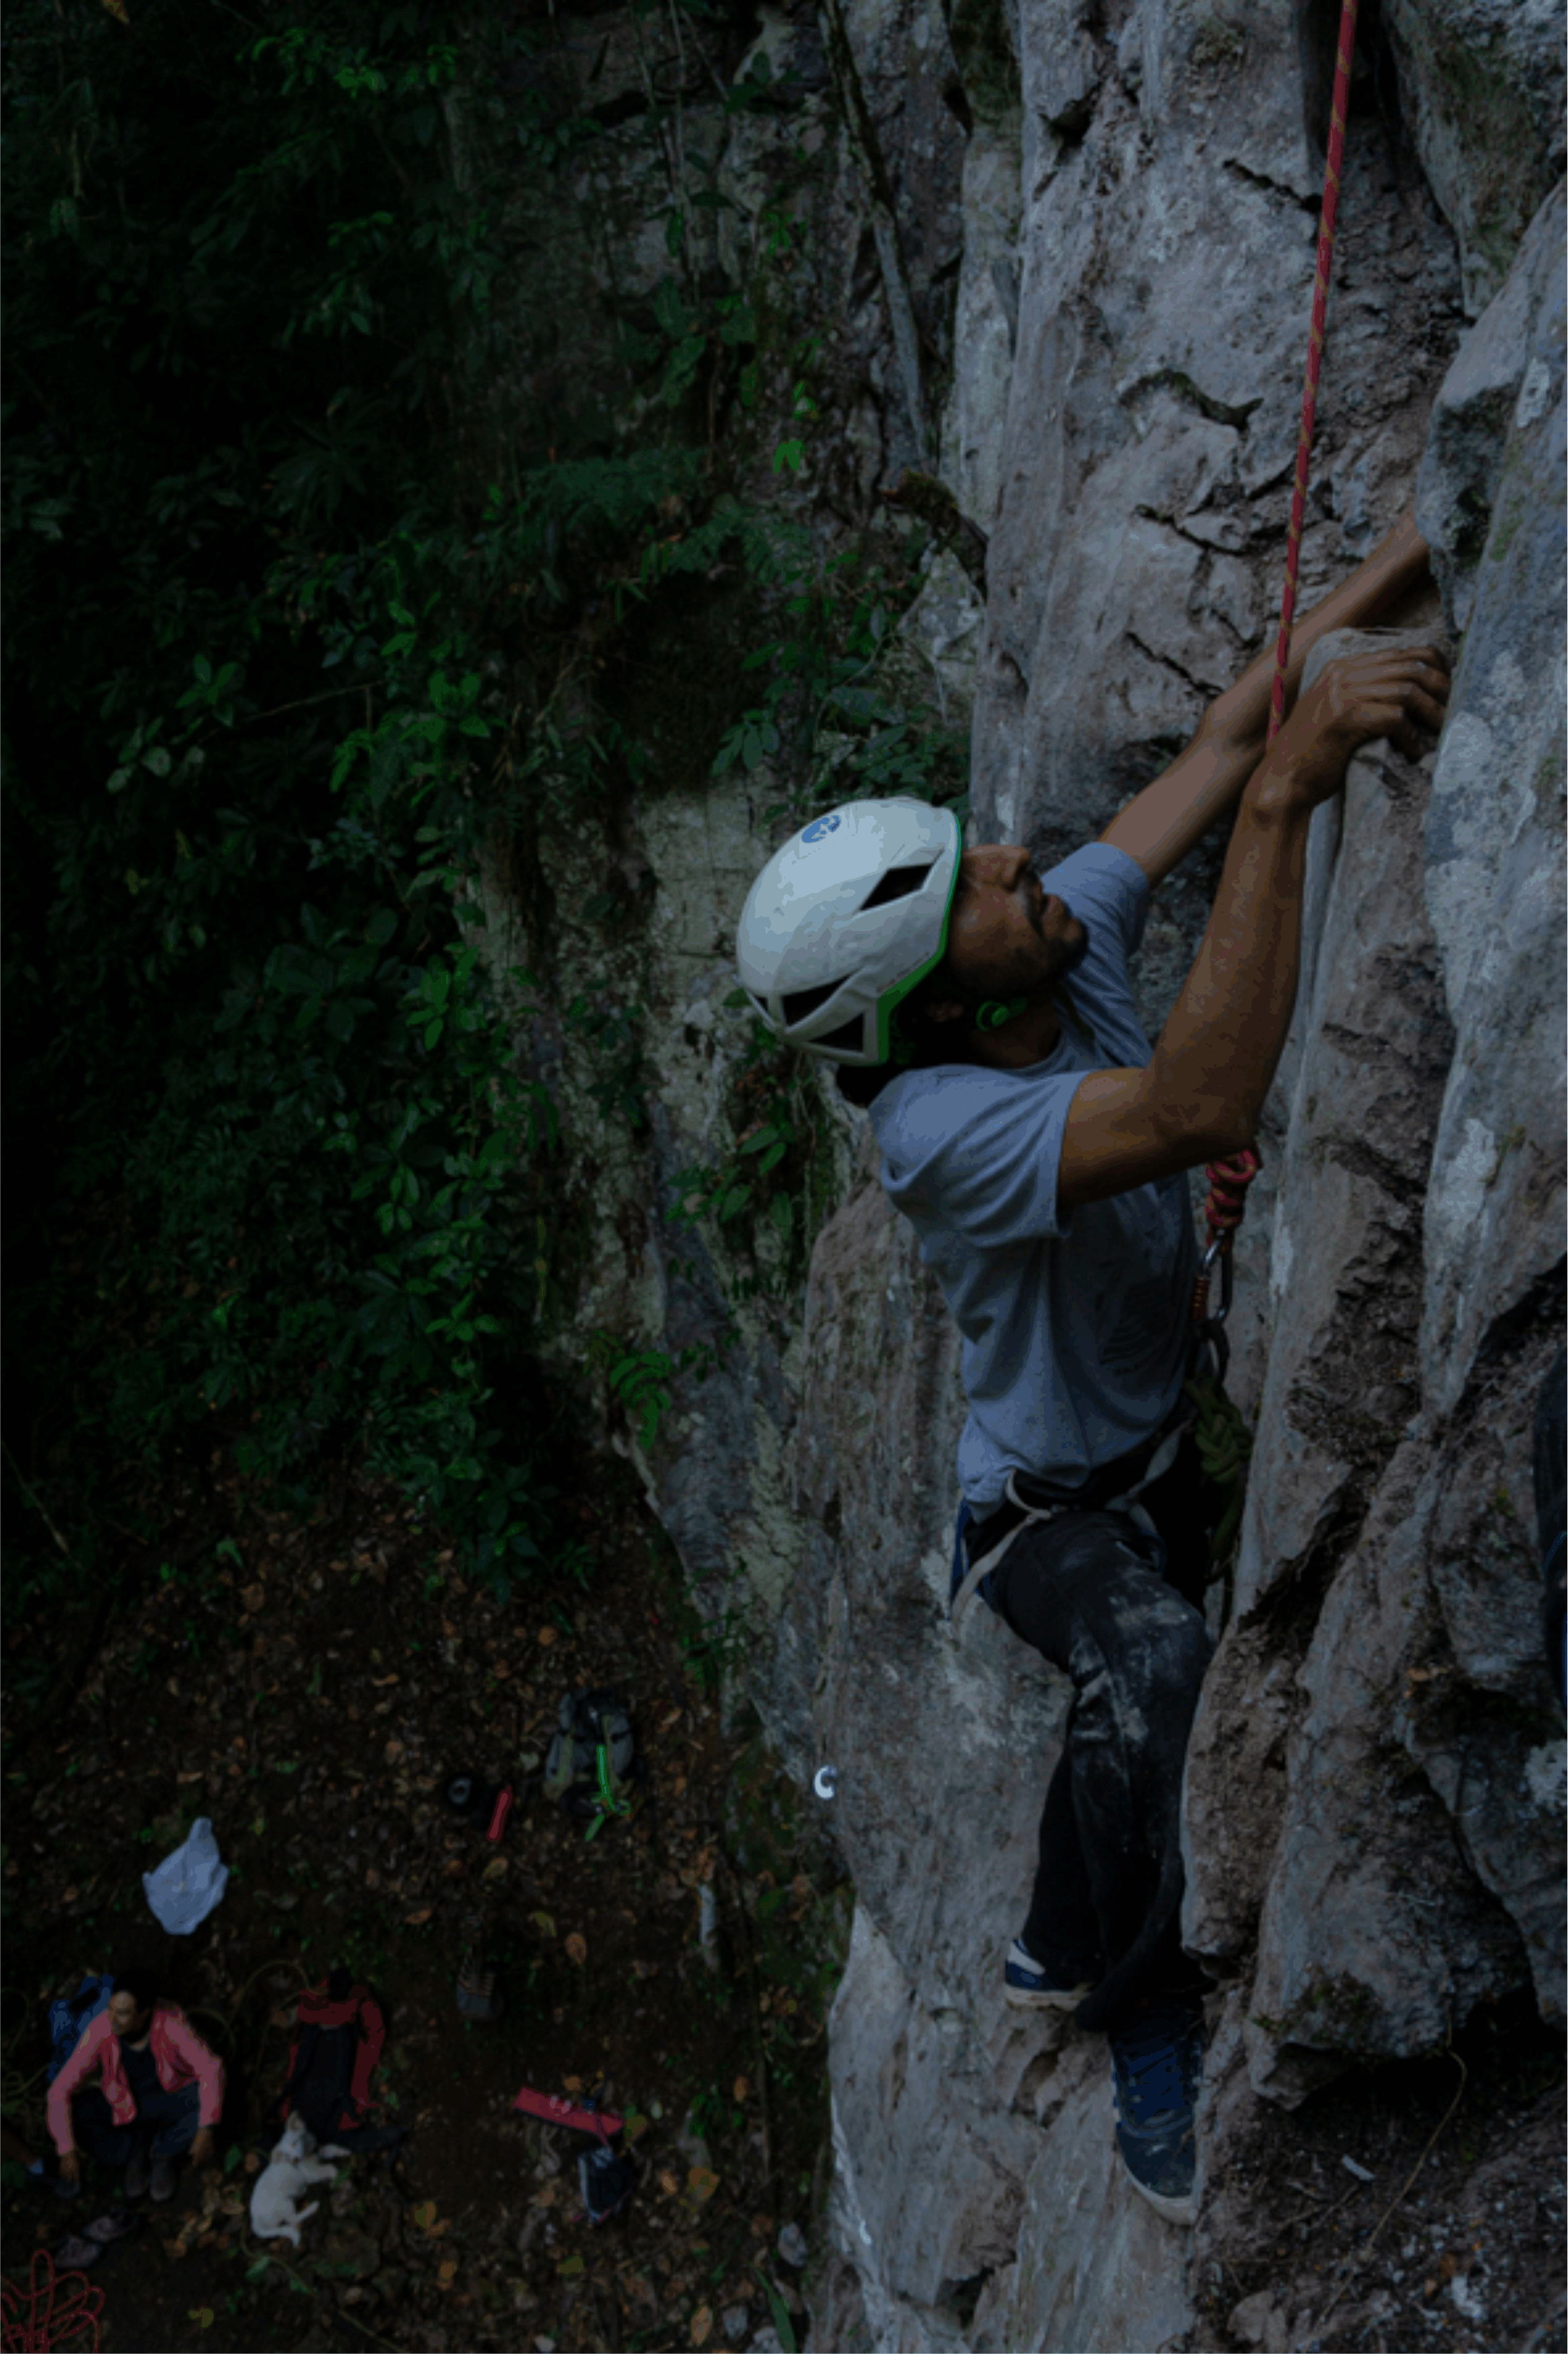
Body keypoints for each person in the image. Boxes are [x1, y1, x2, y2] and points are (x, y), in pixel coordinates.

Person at [736, 512, 1449, 2225]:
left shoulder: (1057, 930)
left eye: (989, 855)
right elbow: (1199, 1102)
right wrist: (1286, 800)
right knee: (1151, 1655)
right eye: (978, 887)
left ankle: (1060, 1938)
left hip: (1143, 1451)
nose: (1017, 861)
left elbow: (1221, 727)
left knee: (1158, 1669)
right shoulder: (936, 1130)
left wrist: (1429, 530)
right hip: (1042, 1510)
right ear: (937, 1005)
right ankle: (1116, 1992)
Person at [46, 1966, 224, 2202]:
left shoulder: (170, 2023)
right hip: (123, 2103)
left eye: (123, 2013)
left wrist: (206, 2127)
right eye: (111, 2009)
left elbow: (210, 2068)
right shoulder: (102, 2027)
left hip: (167, 2099)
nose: (112, 2018)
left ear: (143, 2015)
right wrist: (65, 2149)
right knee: (78, 2112)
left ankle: (163, 2152)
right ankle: (132, 2152)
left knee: (209, 2101)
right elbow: (60, 2090)